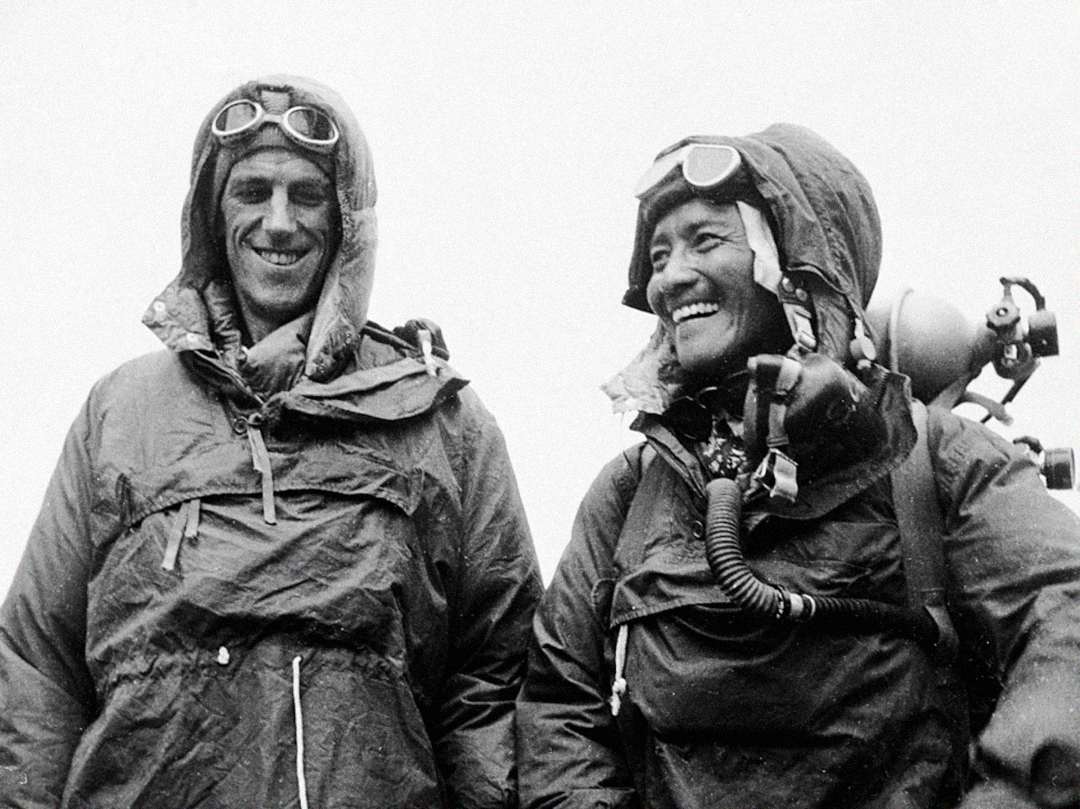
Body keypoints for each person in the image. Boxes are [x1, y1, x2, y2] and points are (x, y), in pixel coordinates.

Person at [0, 75, 542, 808]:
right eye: (251, 191)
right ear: (212, 214)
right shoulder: (119, 413)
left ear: (348, 219)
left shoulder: (442, 421)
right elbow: (37, 666)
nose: (278, 222)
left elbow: (494, 682)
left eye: (306, 194)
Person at [516, 124, 1080, 808]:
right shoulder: (631, 490)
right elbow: (558, 703)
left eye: (706, 240)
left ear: (798, 264)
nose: (670, 277)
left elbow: (1065, 622)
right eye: (658, 255)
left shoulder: (936, 461)